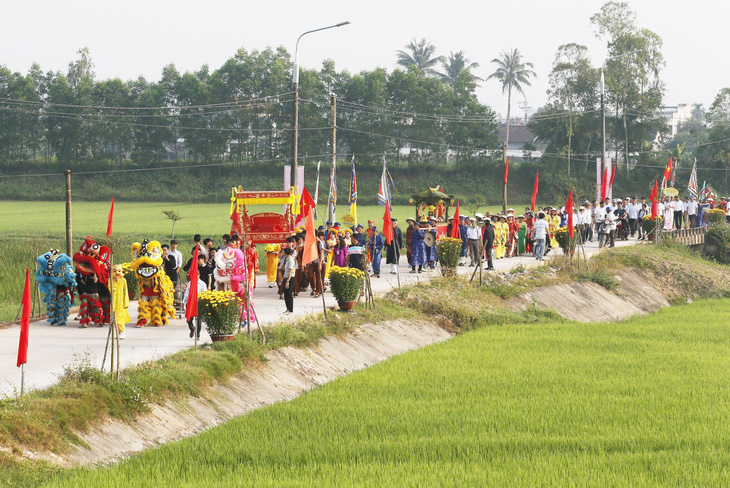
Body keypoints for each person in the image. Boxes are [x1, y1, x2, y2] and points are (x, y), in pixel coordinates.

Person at [182, 271, 207, 339]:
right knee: (189, 318)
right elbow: (187, 293)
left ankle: (197, 334)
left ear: (199, 275)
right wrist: (184, 301)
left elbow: (204, 294)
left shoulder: (202, 284)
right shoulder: (190, 283)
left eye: (196, 275)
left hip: (199, 303)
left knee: (198, 320)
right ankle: (192, 329)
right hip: (191, 303)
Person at [111, 264, 130, 339]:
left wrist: (126, 302)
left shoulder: (123, 280)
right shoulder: (111, 280)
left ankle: (122, 331)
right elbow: (111, 289)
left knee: (120, 317)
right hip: (113, 301)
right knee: (114, 318)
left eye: (119, 271)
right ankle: (119, 332)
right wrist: (115, 281)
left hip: (121, 302)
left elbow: (126, 291)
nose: (117, 273)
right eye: (114, 271)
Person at [281, 247, 296, 314]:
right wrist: (282, 278)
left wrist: (288, 281)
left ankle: (291, 310)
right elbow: (286, 272)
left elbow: (290, 271)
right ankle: (287, 308)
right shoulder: (287, 259)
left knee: (289, 294)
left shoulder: (291, 260)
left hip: (290, 278)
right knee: (286, 294)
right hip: (286, 277)